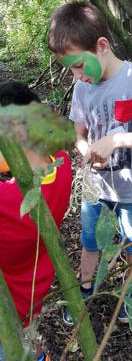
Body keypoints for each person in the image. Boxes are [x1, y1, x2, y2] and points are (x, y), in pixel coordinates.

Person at [48, 1, 132, 325]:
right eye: (70, 69)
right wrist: (84, 148)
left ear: (102, 46)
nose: (75, 75)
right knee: (90, 243)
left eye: (79, 65)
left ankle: (130, 295)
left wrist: (118, 139)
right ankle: (84, 289)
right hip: (96, 189)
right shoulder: (82, 87)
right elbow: (78, 133)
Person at [0, 81, 72, 361]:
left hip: (7, 310)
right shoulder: (62, 166)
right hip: (35, 289)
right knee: (30, 341)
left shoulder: (7, 203)